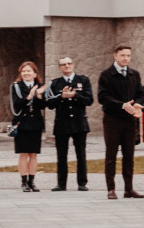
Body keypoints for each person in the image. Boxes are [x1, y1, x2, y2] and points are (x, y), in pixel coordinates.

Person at [97, 45, 144, 199]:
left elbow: (140, 94)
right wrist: (121, 105)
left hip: (129, 120)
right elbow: (102, 97)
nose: (126, 58)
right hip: (112, 119)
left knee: (129, 155)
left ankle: (128, 189)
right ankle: (111, 189)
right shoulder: (106, 75)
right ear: (115, 56)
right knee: (111, 155)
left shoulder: (134, 74)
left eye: (128, 55)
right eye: (122, 55)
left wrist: (138, 104)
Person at [46, 57, 93, 191]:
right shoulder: (55, 83)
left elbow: (89, 100)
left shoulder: (83, 80)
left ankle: (82, 183)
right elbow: (49, 104)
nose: (66, 66)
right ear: (60, 67)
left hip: (79, 123)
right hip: (62, 123)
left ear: (73, 65)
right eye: (63, 64)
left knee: (81, 154)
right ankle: (61, 184)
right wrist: (61, 97)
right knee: (61, 155)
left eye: (69, 63)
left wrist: (75, 96)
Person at [9, 61, 47, 191]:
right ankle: (24, 182)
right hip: (22, 123)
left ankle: (32, 181)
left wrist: (39, 95)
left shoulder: (40, 86)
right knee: (23, 153)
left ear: (35, 74)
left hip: (35, 123)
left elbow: (43, 106)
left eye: (29, 71)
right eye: (24, 71)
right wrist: (29, 96)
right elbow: (16, 105)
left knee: (34, 154)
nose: (26, 73)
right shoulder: (16, 86)